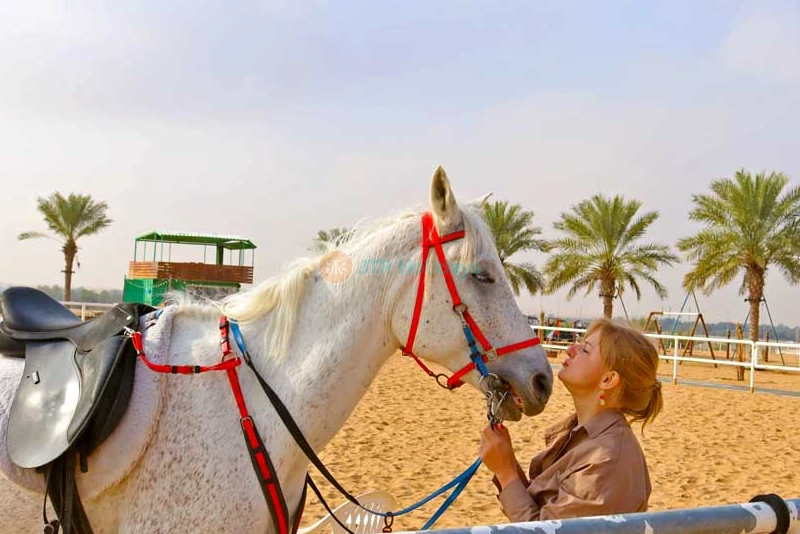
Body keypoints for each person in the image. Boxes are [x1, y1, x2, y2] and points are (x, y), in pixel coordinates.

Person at [479, 318, 663, 521]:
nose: (570, 350)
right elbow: (545, 511)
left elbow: (546, 530)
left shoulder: (607, 459)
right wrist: (508, 462)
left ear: (608, 380)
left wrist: (506, 473)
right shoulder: (584, 436)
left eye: (585, 350)